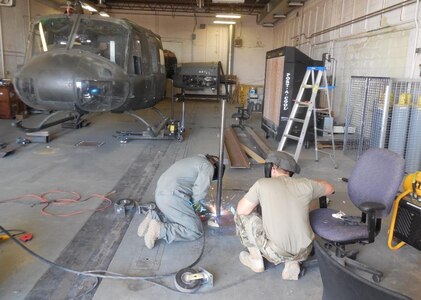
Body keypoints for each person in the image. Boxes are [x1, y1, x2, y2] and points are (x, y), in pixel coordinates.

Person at [234, 151, 335, 280]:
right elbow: (330, 188)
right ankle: (293, 262)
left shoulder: (262, 184)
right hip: (305, 251)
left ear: (273, 167)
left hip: (275, 252)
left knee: (241, 216)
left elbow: (242, 209)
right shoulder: (306, 184)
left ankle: (256, 260)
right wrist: (312, 184)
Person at [137, 154, 223, 249]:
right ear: (215, 166)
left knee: (176, 216)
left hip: (160, 195)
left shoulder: (194, 159)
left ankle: (154, 216)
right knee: (194, 231)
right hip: (173, 197)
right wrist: (196, 209)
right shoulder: (208, 166)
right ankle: (159, 230)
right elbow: (199, 193)